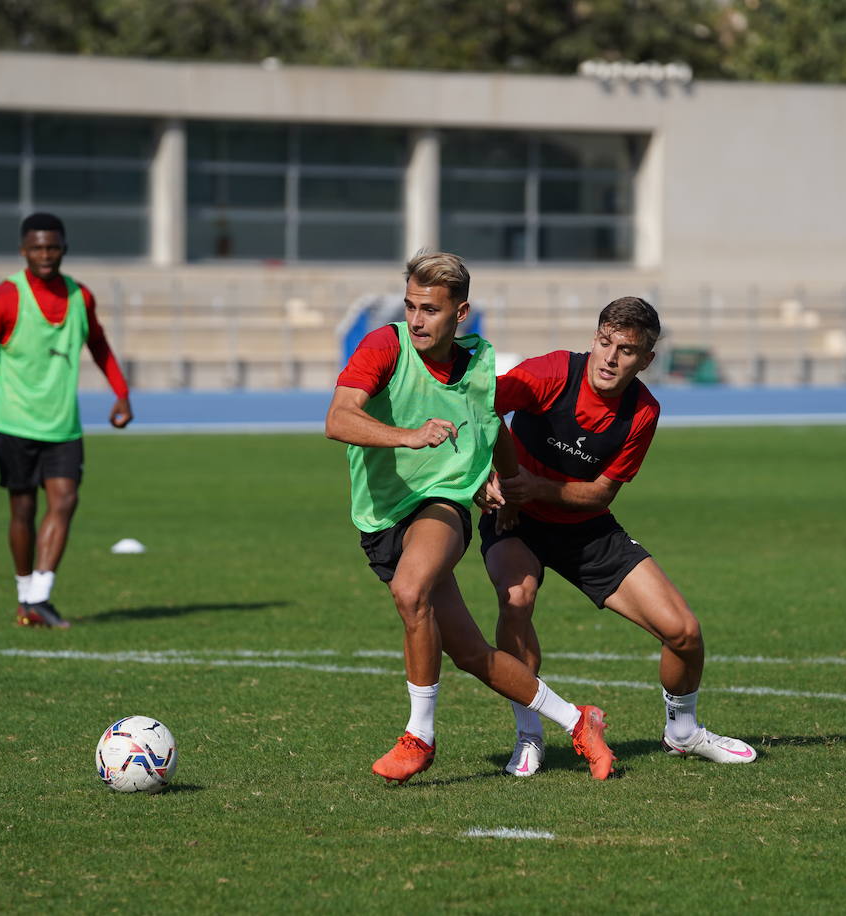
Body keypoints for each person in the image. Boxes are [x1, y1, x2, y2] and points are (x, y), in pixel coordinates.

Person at [324, 250, 616, 784]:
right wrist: (407, 436)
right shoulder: (384, 345)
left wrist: (507, 487)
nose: (416, 320)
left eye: (430, 310)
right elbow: (338, 418)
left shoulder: (480, 363)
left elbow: (493, 429)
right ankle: (579, 720)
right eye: (411, 306)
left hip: (441, 506)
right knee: (471, 654)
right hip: (379, 517)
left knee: (411, 591)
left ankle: (420, 737)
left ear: (461, 314)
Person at [482, 296, 757, 776]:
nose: (610, 358)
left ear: (646, 359)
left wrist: (536, 487)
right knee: (516, 600)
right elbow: (481, 408)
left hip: (585, 530)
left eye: (626, 350)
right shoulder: (550, 373)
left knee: (684, 634)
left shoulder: (642, 412)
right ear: (594, 338)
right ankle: (530, 735)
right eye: (605, 343)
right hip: (515, 520)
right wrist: (491, 475)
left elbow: (598, 495)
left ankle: (683, 732)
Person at [0, 212, 133, 629]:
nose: (45, 255)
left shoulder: (80, 296)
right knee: (23, 509)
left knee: (65, 499)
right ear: (23, 251)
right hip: (14, 421)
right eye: (37, 248)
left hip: (63, 423)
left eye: (53, 247)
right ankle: (24, 596)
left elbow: (99, 344)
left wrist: (121, 393)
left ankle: (40, 596)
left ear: (64, 248)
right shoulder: (4, 298)